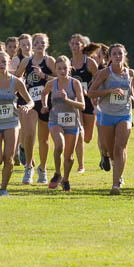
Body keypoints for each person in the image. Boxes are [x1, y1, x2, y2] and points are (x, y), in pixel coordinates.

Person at [88, 43, 134, 194]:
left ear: (125, 55)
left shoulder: (130, 72)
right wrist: (109, 91)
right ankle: (107, 157)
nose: (118, 56)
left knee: (120, 148)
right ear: (110, 57)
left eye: (120, 53)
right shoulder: (105, 73)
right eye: (115, 54)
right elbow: (91, 92)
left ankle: (116, 184)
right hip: (107, 115)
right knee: (111, 150)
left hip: (124, 114)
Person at [0, 50, 35, 195]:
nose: (1, 65)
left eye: (4, 62)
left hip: (11, 122)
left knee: (9, 158)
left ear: (8, 62)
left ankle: (3, 188)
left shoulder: (16, 81)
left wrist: (26, 107)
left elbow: (30, 101)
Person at [17, 33, 56, 185]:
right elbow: (16, 77)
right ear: (33, 45)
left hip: (45, 102)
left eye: (42, 43)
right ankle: (28, 167)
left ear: (47, 45)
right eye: (37, 42)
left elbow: (59, 77)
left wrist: (44, 76)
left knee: (44, 139)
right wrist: (22, 85)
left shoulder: (50, 61)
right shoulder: (26, 61)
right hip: (30, 102)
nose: (39, 45)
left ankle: (43, 169)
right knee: (29, 133)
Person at [43, 56, 86, 191]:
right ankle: (57, 173)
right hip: (55, 120)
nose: (62, 71)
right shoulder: (52, 83)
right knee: (59, 146)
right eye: (59, 68)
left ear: (70, 69)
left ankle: (65, 179)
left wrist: (67, 100)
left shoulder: (75, 84)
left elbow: (82, 106)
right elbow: (44, 93)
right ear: (55, 70)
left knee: (69, 157)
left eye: (65, 68)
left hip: (72, 122)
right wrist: (44, 105)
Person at [68, 34, 99, 174]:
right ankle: (81, 165)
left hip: (88, 100)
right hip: (74, 102)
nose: (74, 46)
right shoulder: (67, 63)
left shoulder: (90, 63)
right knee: (79, 131)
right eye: (72, 43)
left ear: (83, 46)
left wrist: (92, 93)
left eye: (77, 44)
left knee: (87, 137)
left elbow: (99, 81)